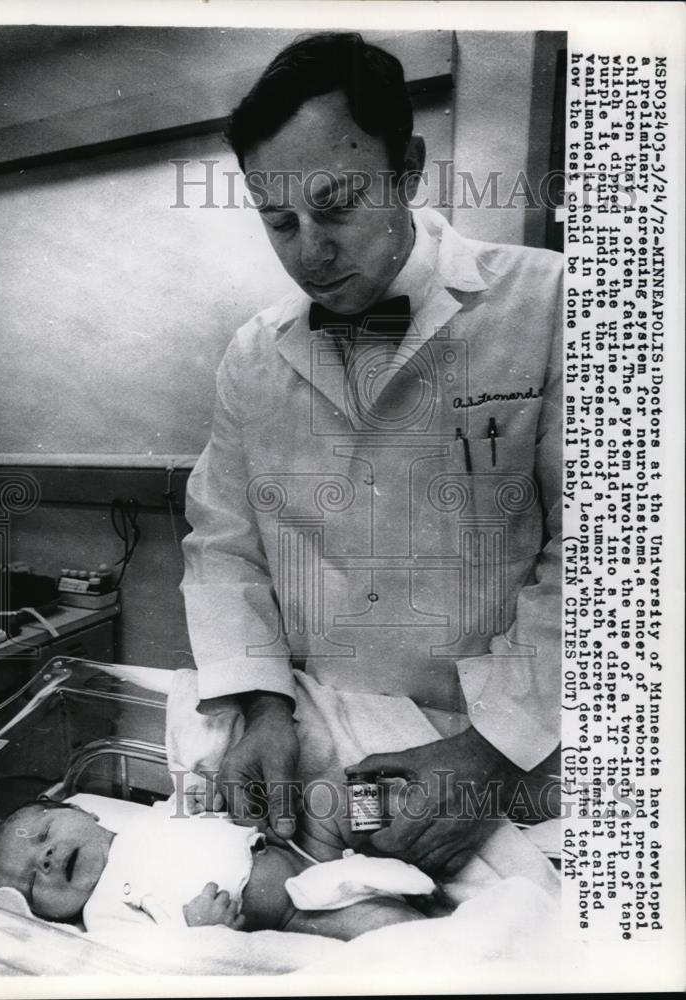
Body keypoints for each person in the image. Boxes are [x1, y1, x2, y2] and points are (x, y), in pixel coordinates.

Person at [181, 32, 563, 876]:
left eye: (337, 206)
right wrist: (262, 705)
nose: (309, 251)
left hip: (514, 745)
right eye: (277, 221)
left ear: (409, 169)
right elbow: (223, 546)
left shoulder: (548, 303)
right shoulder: (253, 354)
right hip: (324, 738)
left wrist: (491, 755)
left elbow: (612, 557)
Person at [0, 798, 432, 940]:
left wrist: (207, 802)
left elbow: (200, 806)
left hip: (300, 843)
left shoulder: (147, 817)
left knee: (344, 799)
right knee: (391, 931)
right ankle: (442, 932)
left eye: (43, 835)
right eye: (28, 881)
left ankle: (414, 848)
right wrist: (200, 932)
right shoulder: (102, 916)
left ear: (87, 813)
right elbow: (162, 959)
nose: (43, 860)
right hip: (291, 910)